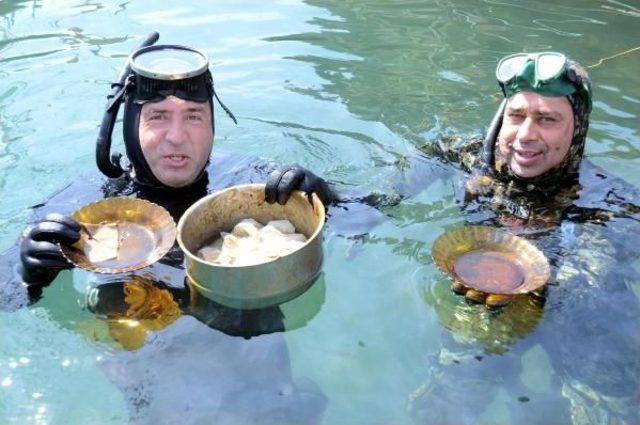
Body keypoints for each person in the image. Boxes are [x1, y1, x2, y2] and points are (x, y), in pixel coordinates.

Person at [0, 34, 329, 424]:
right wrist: (26, 276)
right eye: (157, 116)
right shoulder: (84, 207)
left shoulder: (252, 184)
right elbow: (7, 298)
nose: (177, 136)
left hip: (264, 385)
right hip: (168, 391)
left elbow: (379, 210)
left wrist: (327, 197)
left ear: (212, 123)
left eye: (193, 116)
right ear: (129, 123)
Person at [406, 52, 640, 424]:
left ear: (577, 128)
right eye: (517, 116)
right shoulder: (463, 157)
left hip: (584, 330)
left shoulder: (613, 205)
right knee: (442, 409)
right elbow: (371, 203)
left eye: (548, 119)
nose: (526, 135)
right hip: (485, 311)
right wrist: (325, 196)